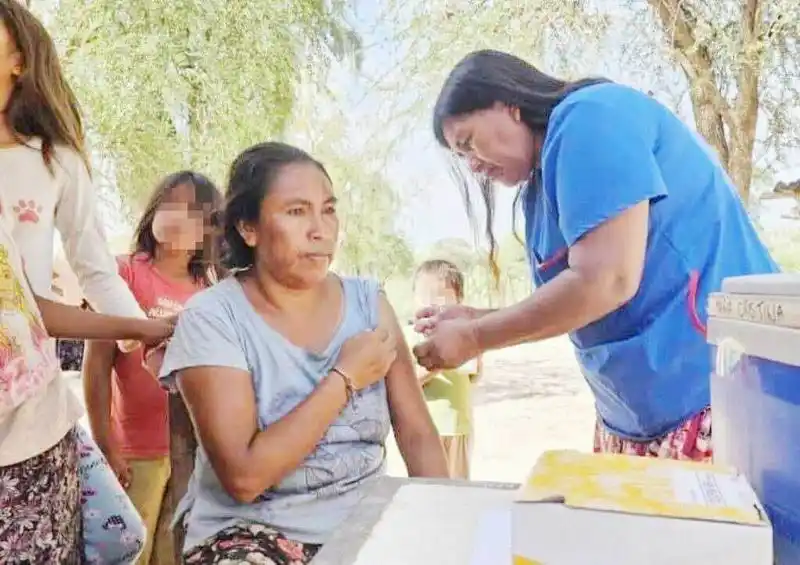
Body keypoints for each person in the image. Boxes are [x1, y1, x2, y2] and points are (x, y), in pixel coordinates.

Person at [413, 49, 779, 462]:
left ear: (508, 104)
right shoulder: (540, 183)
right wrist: (478, 317)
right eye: (461, 158)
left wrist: (476, 337)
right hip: (634, 419)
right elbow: (572, 297)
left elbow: (606, 280)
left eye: (468, 144)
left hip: (712, 395)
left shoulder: (590, 118)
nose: (473, 166)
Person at [158, 141, 449, 563]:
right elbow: (244, 477)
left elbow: (418, 433)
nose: (321, 230)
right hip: (255, 534)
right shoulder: (213, 318)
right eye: (296, 212)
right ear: (248, 228)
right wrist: (344, 379)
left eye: (328, 210)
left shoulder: (368, 304)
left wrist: (444, 527)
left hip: (365, 525)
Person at [0, 2, 169, 562]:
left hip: (31, 420)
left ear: (18, 59)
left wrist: (139, 333)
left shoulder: (54, 161)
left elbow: (92, 265)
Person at [0, 210, 173, 564]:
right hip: (11, 464)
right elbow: (95, 371)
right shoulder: (130, 268)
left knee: (116, 541)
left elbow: (29, 308)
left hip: (50, 438)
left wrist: (142, 328)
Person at [83, 171, 223, 565]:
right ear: (152, 211)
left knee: (172, 550)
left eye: (195, 213)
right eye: (171, 204)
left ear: (209, 230)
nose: (180, 217)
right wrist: (106, 442)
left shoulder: (210, 291)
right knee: (130, 550)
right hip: (133, 451)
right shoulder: (123, 273)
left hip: (187, 452)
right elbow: (96, 368)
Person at [407, 259, 481, 479]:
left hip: (460, 427)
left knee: (458, 487)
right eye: (425, 297)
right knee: (429, 488)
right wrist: (439, 363)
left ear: (459, 302)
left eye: (441, 299)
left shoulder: (462, 335)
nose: (433, 305)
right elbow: (410, 381)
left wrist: (477, 354)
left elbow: (472, 377)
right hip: (427, 431)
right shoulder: (413, 337)